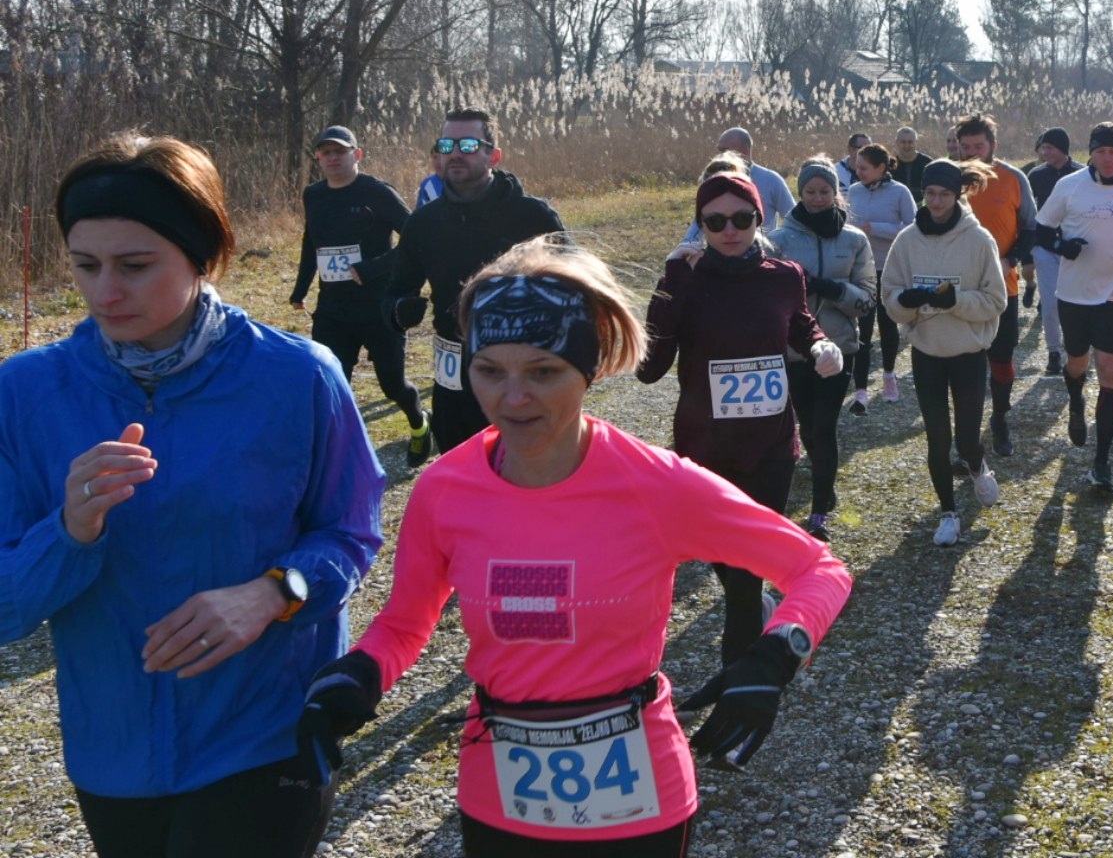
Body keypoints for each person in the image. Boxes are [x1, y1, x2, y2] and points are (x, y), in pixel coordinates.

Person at [300, 239, 852, 856]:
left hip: (639, 803)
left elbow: (819, 568)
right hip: (499, 796)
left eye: (543, 372)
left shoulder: (655, 485)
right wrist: (359, 675)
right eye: (490, 371)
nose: (513, 398)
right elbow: (405, 624)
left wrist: (775, 656)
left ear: (587, 369)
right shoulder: (444, 489)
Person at [0, 133, 384, 858]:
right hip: (112, 754)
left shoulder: (299, 376)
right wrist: (69, 531)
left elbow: (352, 533)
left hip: (265, 739)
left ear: (202, 255)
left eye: (135, 265)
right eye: (85, 265)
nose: (105, 292)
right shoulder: (23, 392)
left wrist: (275, 592)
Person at [639, 173, 842, 668]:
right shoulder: (685, 279)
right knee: (729, 563)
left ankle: (738, 684)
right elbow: (649, 369)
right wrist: (672, 284)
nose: (729, 230)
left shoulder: (784, 275)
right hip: (705, 447)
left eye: (742, 219)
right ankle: (753, 618)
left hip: (770, 443)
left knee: (746, 573)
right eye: (715, 222)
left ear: (759, 219)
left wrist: (821, 345)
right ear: (700, 225)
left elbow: (799, 321)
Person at [385, 110, 565, 464]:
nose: (455, 153)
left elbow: (575, 296)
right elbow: (395, 292)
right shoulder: (423, 223)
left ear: (493, 156)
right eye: (446, 145)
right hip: (453, 379)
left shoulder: (533, 217)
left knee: (523, 474)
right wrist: (398, 311)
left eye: (467, 145)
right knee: (462, 474)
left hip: (519, 376)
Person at [881, 159, 1008, 545]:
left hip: (968, 353)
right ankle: (948, 514)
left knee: (966, 438)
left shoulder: (979, 240)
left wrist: (955, 300)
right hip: (927, 353)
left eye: (945, 195)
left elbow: (996, 301)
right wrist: (906, 301)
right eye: (930, 194)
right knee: (937, 438)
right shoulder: (906, 241)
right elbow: (889, 296)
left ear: (959, 195)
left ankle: (978, 465)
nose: (936, 202)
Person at [1034, 122, 1113, 494]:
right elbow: (1042, 229)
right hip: (1074, 293)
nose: (1108, 158)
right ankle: (1075, 399)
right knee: (1077, 362)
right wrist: (1062, 247)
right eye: (1101, 151)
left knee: (1109, 371)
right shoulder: (1069, 185)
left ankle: (1102, 462)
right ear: (1090, 153)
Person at [290, 125, 426, 450]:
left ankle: (420, 423)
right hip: (333, 310)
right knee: (333, 383)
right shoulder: (314, 195)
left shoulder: (376, 192)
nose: (333, 158)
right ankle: (344, 454)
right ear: (318, 158)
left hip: (379, 307)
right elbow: (311, 242)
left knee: (392, 386)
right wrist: (300, 288)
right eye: (326, 152)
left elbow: (417, 239)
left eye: (340, 151)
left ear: (357, 154)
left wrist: (372, 268)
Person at [769, 159, 876, 539]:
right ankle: (823, 481)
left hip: (839, 347)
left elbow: (868, 299)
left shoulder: (854, 240)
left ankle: (818, 515)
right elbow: (766, 297)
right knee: (809, 429)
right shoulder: (778, 240)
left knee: (824, 426)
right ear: (800, 193)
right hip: (794, 351)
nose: (817, 198)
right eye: (810, 191)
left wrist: (833, 289)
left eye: (824, 191)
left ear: (836, 194)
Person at [954, 113, 1037, 457]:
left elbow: (1031, 228)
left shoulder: (1014, 178)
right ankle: (966, 432)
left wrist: (1011, 259)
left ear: (993, 145)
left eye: (979, 146)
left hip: (1004, 286)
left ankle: (1000, 417)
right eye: (966, 147)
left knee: (1001, 358)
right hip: (960, 289)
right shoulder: (949, 178)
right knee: (965, 362)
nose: (972, 152)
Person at [847, 142, 916, 412]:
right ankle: (861, 390)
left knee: (887, 326)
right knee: (862, 330)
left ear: (881, 168)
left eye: (864, 167)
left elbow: (911, 228)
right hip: (860, 270)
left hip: (889, 269)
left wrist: (875, 228)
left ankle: (889, 375)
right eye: (857, 166)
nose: (859, 171)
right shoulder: (853, 190)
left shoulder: (900, 192)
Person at [1024, 127, 1080, 375]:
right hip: (1045, 247)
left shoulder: (1081, 174)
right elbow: (1028, 216)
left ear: (1063, 149)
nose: (1045, 152)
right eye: (1043, 148)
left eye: (1050, 148)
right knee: (1049, 303)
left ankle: (1075, 347)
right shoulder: (1036, 175)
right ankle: (1054, 350)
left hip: (1075, 249)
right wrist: (1027, 253)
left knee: (1074, 301)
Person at [891, 126, 933, 201]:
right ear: (897, 142)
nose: (907, 146)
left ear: (916, 142)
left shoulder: (927, 163)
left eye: (910, 142)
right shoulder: (890, 164)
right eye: (903, 142)